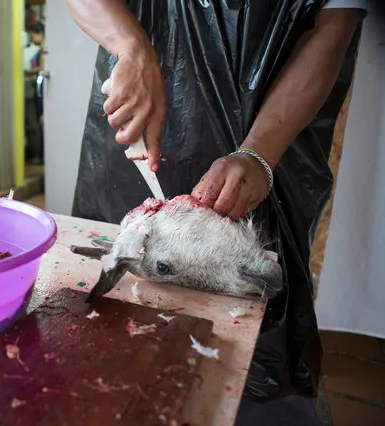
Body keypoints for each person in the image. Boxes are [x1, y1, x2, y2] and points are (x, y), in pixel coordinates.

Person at [67, 0, 368, 424]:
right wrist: (133, 48)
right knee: (117, 327)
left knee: (247, 339)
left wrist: (259, 153)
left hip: (268, 135)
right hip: (138, 124)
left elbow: (334, 26)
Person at [26, 22, 47, 164]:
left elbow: (43, 68)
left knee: (42, 122)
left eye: (34, 34)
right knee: (40, 123)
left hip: (42, 92)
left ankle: (42, 156)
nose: (32, 37)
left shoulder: (45, 50)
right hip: (38, 91)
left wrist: (28, 72)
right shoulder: (41, 50)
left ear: (40, 33)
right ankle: (41, 156)